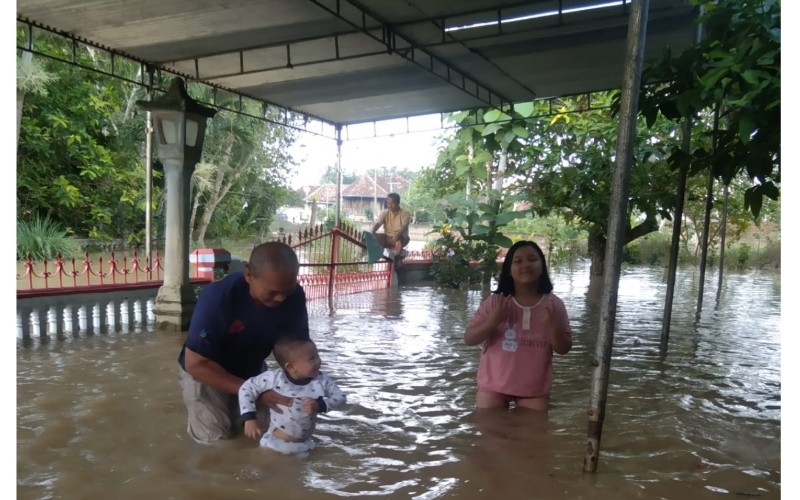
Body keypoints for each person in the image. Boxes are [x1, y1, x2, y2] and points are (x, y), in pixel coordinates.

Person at [177, 241, 310, 444]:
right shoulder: (217, 299)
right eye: (272, 292)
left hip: (252, 370)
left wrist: (306, 389)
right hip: (207, 373)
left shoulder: (295, 297)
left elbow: (296, 351)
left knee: (278, 433)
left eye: (287, 290)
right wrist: (255, 392)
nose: (281, 299)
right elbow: (194, 363)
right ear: (248, 275)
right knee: (216, 443)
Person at [464, 240, 572, 411]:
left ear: (542, 266)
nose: (526, 265)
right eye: (518, 261)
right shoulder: (495, 302)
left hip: (534, 388)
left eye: (532, 259)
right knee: (488, 426)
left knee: (531, 428)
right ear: (509, 269)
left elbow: (564, 349)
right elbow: (469, 339)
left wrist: (552, 326)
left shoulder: (553, 305)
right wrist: (492, 321)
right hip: (493, 386)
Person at [239, 336, 346, 455]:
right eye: (312, 358)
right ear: (291, 367)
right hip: (274, 445)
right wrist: (249, 418)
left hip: (304, 446)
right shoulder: (275, 378)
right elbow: (246, 388)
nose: (318, 361)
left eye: (317, 355)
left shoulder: (321, 380)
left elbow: (341, 397)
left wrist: (320, 405)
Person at [371, 192, 411, 265]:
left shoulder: (405, 213)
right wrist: (372, 232)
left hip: (400, 237)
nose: (389, 205)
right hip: (387, 237)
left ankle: (396, 260)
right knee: (372, 236)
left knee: (400, 238)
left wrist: (398, 234)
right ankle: (374, 256)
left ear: (398, 203)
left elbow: (405, 226)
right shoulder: (385, 213)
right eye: (388, 203)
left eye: (392, 203)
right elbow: (378, 223)